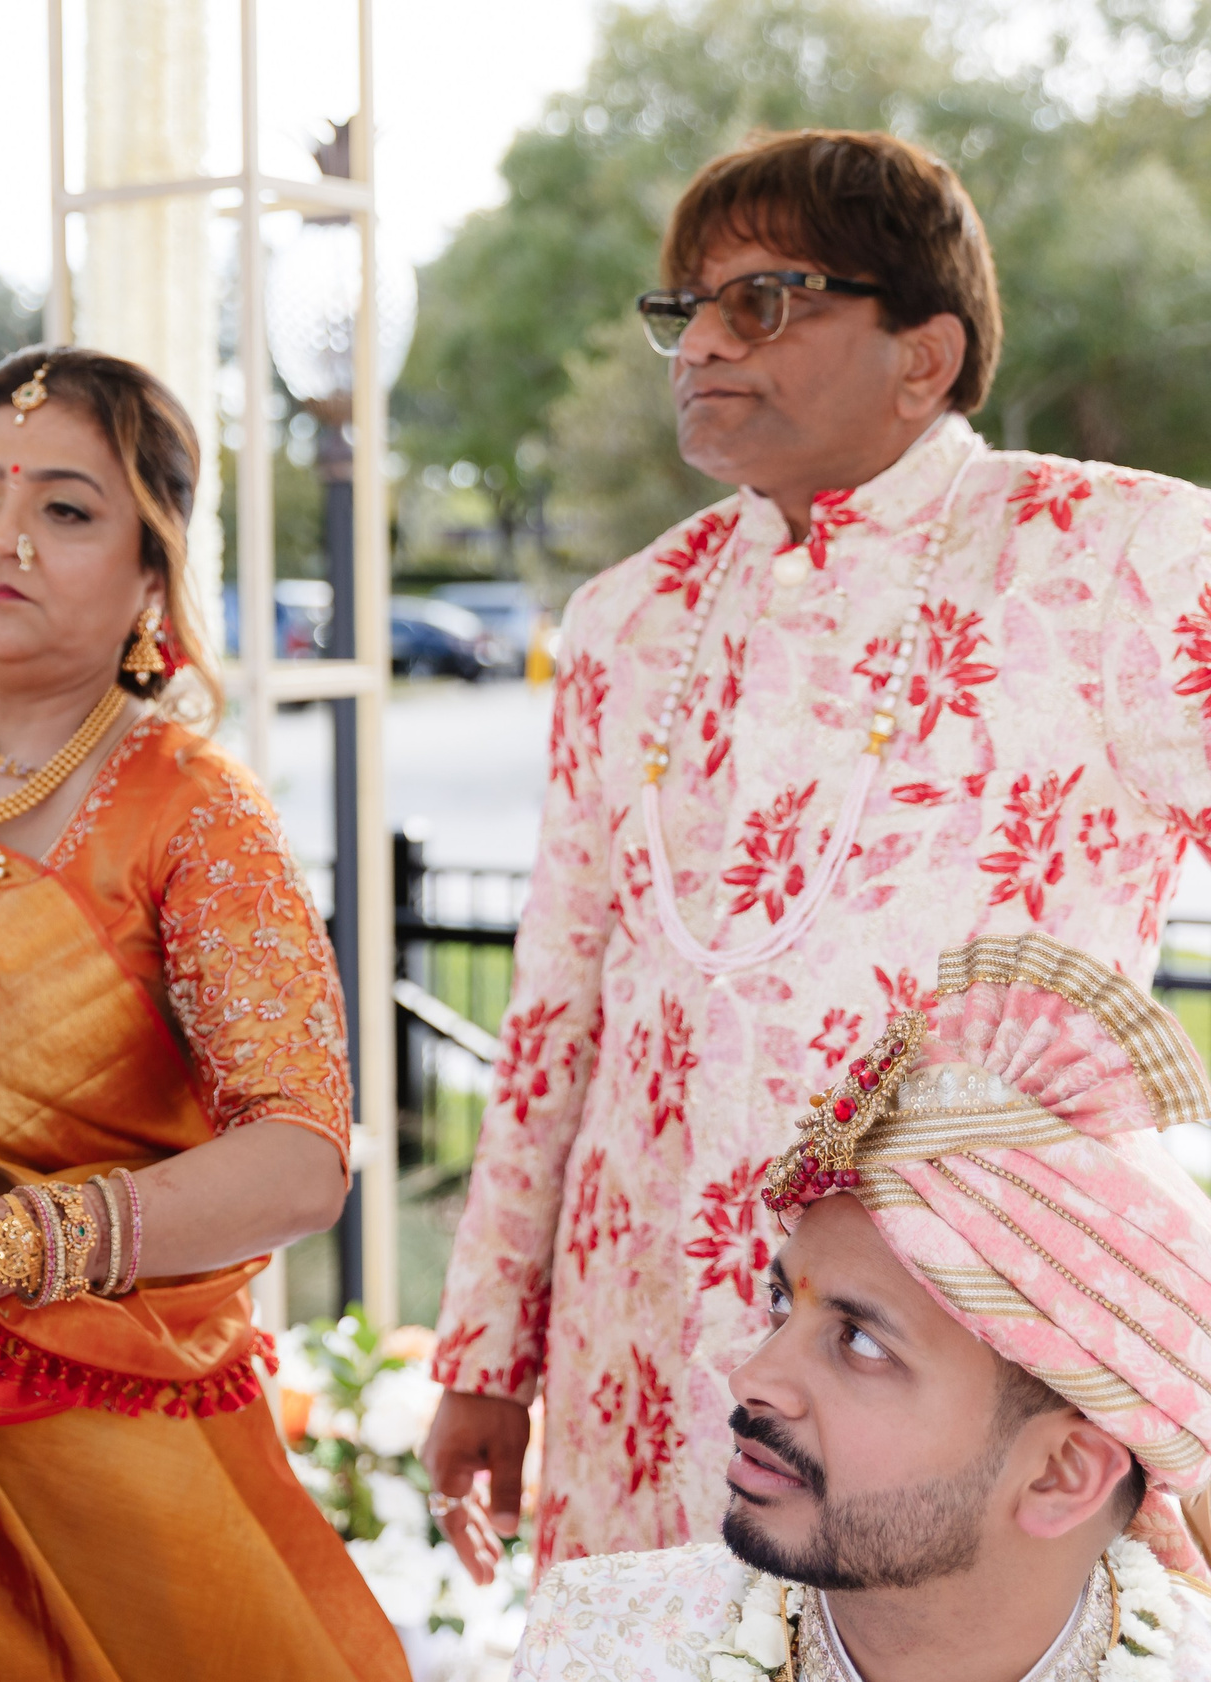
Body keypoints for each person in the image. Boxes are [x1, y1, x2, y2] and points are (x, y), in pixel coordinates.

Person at [425, 127, 1211, 1575]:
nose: (704, 344)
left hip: (953, 1333)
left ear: (926, 353)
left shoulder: (1121, 561)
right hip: (642, 1329)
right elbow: (552, 1012)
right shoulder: (627, 616)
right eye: (688, 308)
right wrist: (486, 1352)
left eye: (764, 300)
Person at [0, 347, 407, 1681]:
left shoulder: (193, 815)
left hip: (100, 1444)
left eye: (66, 508)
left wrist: (18, 1240)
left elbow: (299, 1153)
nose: (5, 538)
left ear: (152, 575)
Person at [509, 932, 1211, 1681]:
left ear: (1062, 1474)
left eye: (862, 1341)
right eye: (780, 1304)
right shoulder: (597, 1646)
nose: (752, 1379)